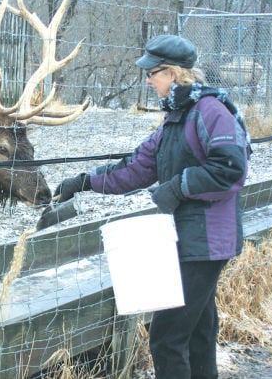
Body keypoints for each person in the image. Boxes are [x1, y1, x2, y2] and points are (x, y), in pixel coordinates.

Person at [53, 34, 251, 379]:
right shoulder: (177, 117)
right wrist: (84, 181)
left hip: (207, 241)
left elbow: (231, 169)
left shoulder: (209, 111)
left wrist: (177, 187)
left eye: (152, 73)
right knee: (198, 333)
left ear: (172, 74)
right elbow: (137, 168)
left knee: (167, 337)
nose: (147, 79)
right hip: (188, 238)